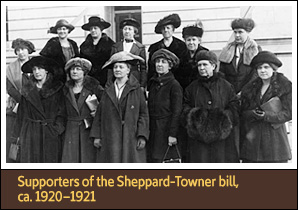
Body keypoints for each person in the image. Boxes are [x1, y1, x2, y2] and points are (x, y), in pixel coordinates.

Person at [90, 51, 149, 163]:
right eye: (115, 67)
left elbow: (143, 114)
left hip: (131, 135)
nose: (117, 69)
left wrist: (142, 135)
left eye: (121, 67)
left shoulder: (136, 90)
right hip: (111, 135)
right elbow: (100, 114)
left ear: (128, 70)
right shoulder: (108, 90)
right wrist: (97, 136)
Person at [183, 51, 239, 163]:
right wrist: (197, 120)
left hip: (222, 141)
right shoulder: (192, 88)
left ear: (213, 66)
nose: (201, 68)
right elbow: (185, 108)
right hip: (198, 141)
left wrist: (220, 122)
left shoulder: (226, 86)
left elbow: (234, 108)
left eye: (205, 64)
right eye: (199, 65)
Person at [240, 51, 292, 163]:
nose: (262, 70)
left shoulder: (285, 86)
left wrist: (266, 116)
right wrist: (252, 113)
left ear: (273, 68)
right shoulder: (250, 88)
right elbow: (242, 111)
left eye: (266, 67)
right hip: (253, 138)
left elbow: (289, 113)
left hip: (275, 139)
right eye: (259, 68)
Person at [11, 56, 65, 163]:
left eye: (40, 68)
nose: (37, 72)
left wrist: (56, 130)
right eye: (34, 69)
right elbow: (21, 115)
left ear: (46, 70)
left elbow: (62, 112)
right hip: (30, 133)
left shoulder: (57, 89)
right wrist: (17, 135)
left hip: (50, 133)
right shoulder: (27, 90)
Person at [61, 58, 104, 163]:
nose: (74, 71)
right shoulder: (65, 89)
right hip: (70, 130)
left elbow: (105, 107)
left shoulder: (95, 87)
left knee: (88, 159)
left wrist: (96, 113)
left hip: (88, 130)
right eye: (72, 69)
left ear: (84, 72)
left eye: (78, 69)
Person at [147, 49, 183, 163]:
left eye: (163, 62)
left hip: (165, 130)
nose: (159, 65)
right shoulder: (153, 83)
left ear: (170, 66)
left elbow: (177, 112)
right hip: (153, 128)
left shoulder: (174, 85)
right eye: (157, 62)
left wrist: (172, 134)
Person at [6, 38, 35, 163]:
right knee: (17, 134)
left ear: (28, 50)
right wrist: (21, 102)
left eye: (23, 49)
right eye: (17, 50)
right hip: (17, 105)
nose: (21, 53)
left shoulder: (36, 65)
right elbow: (9, 86)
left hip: (35, 105)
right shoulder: (11, 68)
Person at [219, 18, 261, 95]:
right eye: (235, 32)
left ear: (248, 32)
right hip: (229, 93)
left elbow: (256, 73)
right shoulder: (228, 49)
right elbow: (222, 72)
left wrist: (244, 91)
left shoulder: (255, 49)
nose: (237, 35)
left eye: (240, 32)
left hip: (249, 93)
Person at [108, 18, 147, 90]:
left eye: (129, 29)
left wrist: (142, 85)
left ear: (134, 32)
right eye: (125, 29)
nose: (127, 31)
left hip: (135, 79)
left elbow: (143, 68)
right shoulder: (116, 47)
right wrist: (110, 83)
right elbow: (110, 66)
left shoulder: (140, 47)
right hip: (119, 80)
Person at [148, 13, 187, 81]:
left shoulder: (182, 46)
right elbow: (151, 69)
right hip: (159, 81)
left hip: (178, 81)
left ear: (173, 30)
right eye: (163, 28)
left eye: (168, 28)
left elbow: (184, 67)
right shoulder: (154, 47)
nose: (166, 30)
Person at [80, 16, 115, 87]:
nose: (93, 30)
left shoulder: (110, 45)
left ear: (101, 29)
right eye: (91, 28)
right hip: (88, 79)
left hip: (105, 80)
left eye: (95, 28)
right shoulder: (84, 46)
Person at [176, 20, 209, 90]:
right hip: (185, 89)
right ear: (185, 41)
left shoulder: (205, 53)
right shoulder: (181, 55)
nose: (191, 42)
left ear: (199, 41)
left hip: (201, 88)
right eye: (188, 40)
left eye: (194, 40)